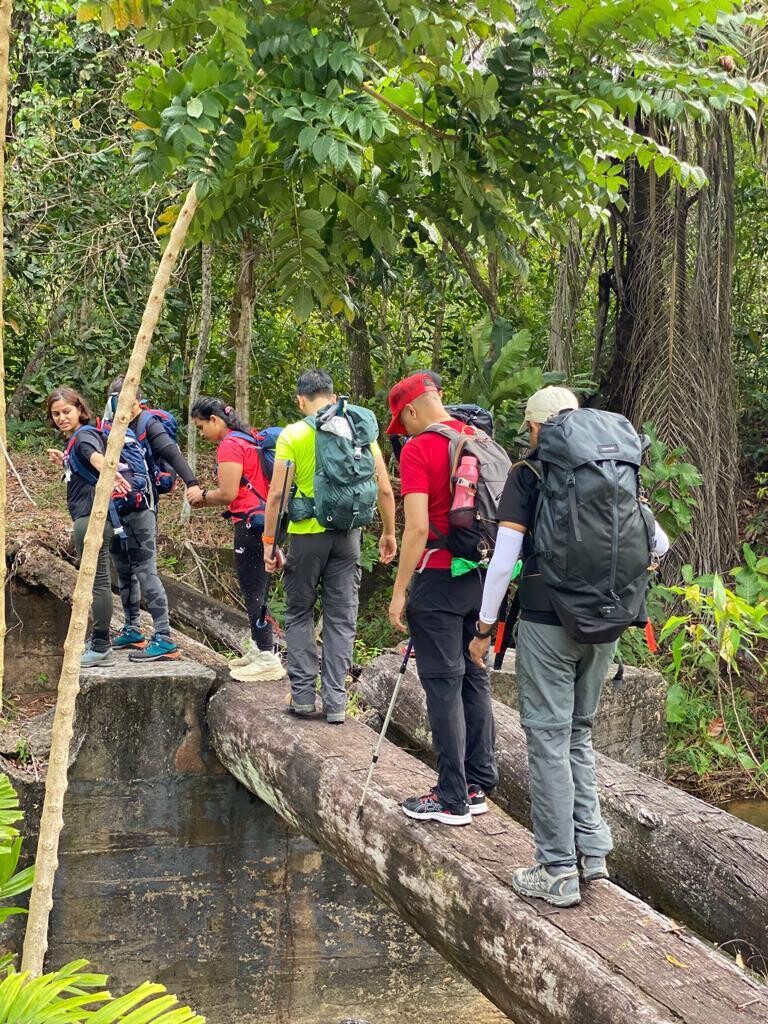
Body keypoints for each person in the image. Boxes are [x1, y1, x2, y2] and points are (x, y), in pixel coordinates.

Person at [468, 386, 670, 906]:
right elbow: (660, 544)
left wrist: (485, 627)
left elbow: (503, 560)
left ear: (535, 428)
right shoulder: (615, 468)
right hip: (606, 625)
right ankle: (593, 854)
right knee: (578, 735)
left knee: (549, 741)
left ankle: (556, 869)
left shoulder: (529, 474)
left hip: (546, 624)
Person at [387, 372, 498, 825]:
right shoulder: (480, 441)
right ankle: (476, 785)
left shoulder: (419, 449)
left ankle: (451, 798)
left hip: (436, 580)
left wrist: (399, 591)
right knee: (473, 676)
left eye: (402, 423)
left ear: (411, 410)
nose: (404, 433)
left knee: (443, 686)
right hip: (479, 576)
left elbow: (415, 529)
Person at [262, 369, 397, 724]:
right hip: (349, 535)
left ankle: (304, 697)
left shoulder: (293, 434)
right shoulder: (359, 429)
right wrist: (389, 532)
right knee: (341, 617)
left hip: (307, 536)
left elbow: (277, 493)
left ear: (301, 400)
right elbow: (384, 488)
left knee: (299, 611)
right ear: (334, 398)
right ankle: (336, 702)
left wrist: (270, 542)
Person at [104, 377, 200, 662]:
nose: (119, 403)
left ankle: (164, 637)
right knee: (123, 570)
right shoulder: (111, 426)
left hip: (143, 508)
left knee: (146, 570)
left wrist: (191, 482)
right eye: (115, 398)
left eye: (125, 398)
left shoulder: (148, 423)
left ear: (137, 400)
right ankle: (133, 628)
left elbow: (171, 452)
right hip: (117, 507)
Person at [188, 397, 284, 681]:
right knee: (256, 586)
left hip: (251, 523)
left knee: (254, 589)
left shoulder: (230, 444)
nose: (202, 434)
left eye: (201, 426)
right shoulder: (249, 439)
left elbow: (228, 492)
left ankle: (267, 655)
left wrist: (201, 497)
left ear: (215, 420)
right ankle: (258, 646)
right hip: (263, 519)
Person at [46, 387, 130, 668]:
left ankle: (101, 644)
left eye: (66, 411)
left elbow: (95, 458)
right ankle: (99, 640)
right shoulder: (78, 440)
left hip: (90, 520)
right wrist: (65, 462)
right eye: (56, 413)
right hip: (92, 517)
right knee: (97, 582)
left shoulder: (83, 438)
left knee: (98, 583)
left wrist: (111, 470)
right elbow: (85, 466)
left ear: (80, 409)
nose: (61, 417)